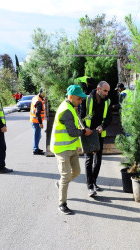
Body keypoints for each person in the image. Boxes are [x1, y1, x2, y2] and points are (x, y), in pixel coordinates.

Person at [50, 85, 93, 215]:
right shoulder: (66, 110)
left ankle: (60, 183)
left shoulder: (70, 107)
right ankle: (62, 204)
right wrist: (85, 131)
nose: (81, 101)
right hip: (62, 149)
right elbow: (73, 132)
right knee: (66, 175)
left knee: (77, 172)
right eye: (79, 99)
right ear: (71, 97)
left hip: (70, 147)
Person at [81, 81, 112, 197]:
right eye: (105, 90)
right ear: (98, 89)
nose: (107, 93)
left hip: (99, 134)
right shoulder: (87, 100)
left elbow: (109, 118)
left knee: (98, 159)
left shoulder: (107, 101)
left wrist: (102, 126)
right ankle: (90, 186)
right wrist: (85, 129)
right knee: (89, 159)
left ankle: (93, 182)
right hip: (88, 133)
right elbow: (81, 116)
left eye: (108, 91)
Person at [30, 88, 46, 155]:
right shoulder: (39, 101)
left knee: (37, 135)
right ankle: (35, 150)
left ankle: (36, 148)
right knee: (37, 135)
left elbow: (37, 105)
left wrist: (43, 102)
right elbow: (37, 112)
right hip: (36, 121)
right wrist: (40, 123)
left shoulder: (36, 98)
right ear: (42, 93)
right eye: (45, 94)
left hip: (34, 120)